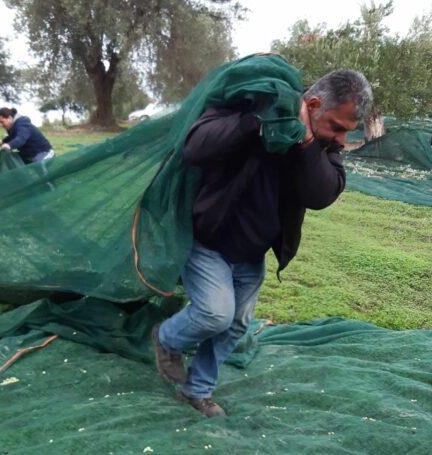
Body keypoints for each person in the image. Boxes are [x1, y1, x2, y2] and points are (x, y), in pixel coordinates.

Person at [152, 69, 373, 418]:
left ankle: (196, 391)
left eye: (348, 129)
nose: (342, 139)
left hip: (251, 252)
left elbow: (321, 193)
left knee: (236, 326)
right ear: (313, 104)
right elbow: (196, 145)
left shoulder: (323, 145)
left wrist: (304, 143)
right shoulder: (256, 104)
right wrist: (258, 123)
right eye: (338, 126)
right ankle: (166, 339)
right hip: (208, 240)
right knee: (214, 313)